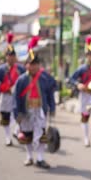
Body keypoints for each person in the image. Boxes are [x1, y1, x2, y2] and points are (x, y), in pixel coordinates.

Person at [13, 36, 56, 168]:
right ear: (26, 65)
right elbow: (16, 98)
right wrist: (17, 113)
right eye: (31, 64)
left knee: (42, 135)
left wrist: (52, 107)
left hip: (40, 110)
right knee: (27, 135)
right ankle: (29, 156)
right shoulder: (21, 80)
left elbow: (50, 94)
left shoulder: (44, 78)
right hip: (26, 111)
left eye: (35, 64)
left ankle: (40, 158)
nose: (33, 66)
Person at [0, 32, 26, 146]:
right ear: (6, 56)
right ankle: (8, 138)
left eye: (13, 55)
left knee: (20, 115)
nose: (11, 57)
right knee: (5, 118)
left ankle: (16, 131)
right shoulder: (1, 69)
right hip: (5, 95)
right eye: (9, 55)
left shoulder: (20, 68)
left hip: (17, 96)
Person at [70, 36, 91, 147]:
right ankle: (86, 138)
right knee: (85, 116)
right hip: (84, 94)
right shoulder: (82, 68)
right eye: (89, 55)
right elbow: (71, 79)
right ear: (86, 56)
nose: (90, 57)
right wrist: (77, 84)